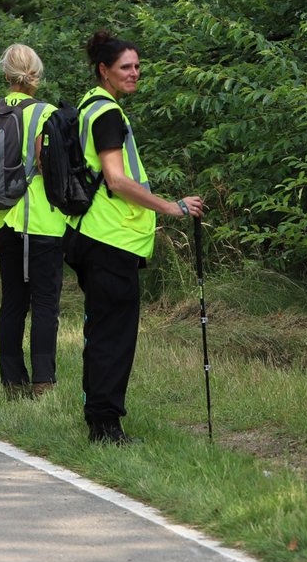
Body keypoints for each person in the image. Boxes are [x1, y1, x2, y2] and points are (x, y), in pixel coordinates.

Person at [65, 30, 204, 443]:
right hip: (111, 240)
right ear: (103, 70)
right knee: (113, 336)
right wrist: (170, 206)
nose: (134, 73)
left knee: (102, 331)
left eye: (137, 66)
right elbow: (116, 179)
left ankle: (101, 420)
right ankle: (105, 427)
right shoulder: (107, 114)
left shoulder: (87, 107)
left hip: (91, 236)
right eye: (125, 67)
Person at [0, 44, 65, 399]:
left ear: (5, 73)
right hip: (42, 224)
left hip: (3, 222)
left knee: (12, 302)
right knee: (44, 304)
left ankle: (12, 383)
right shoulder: (46, 113)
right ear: (35, 75)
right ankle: (43, 383)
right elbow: (48, 167)